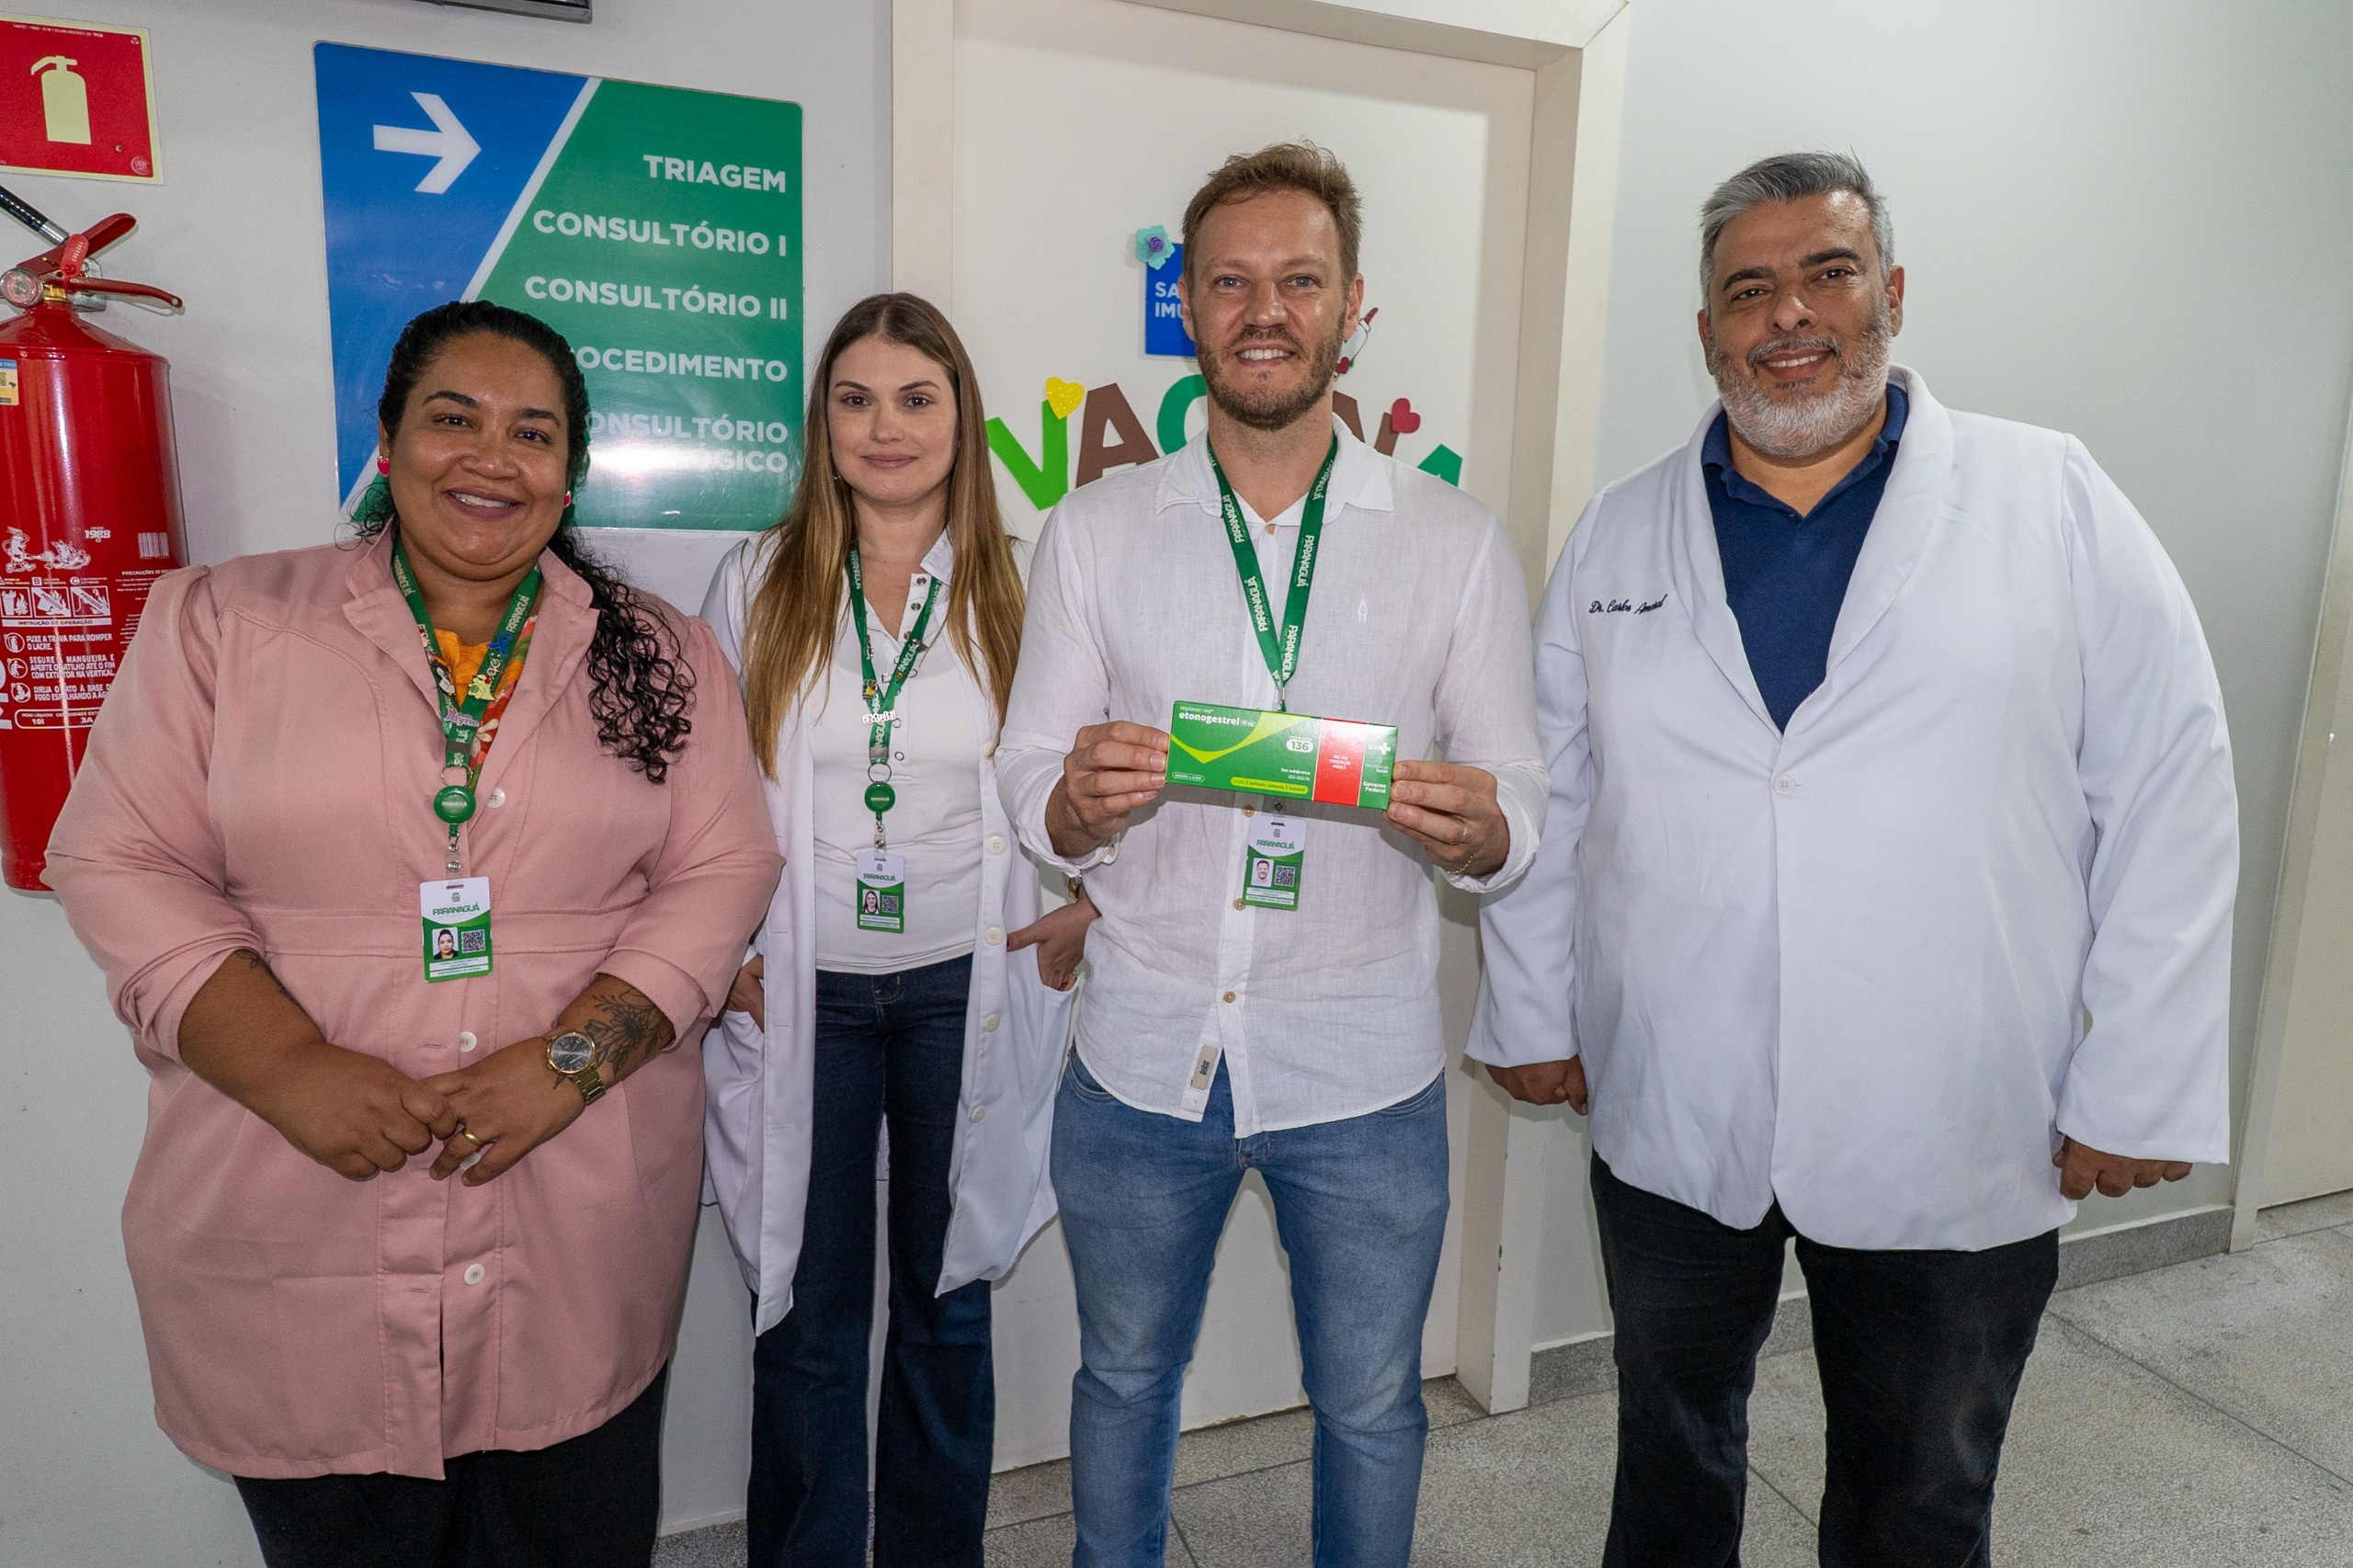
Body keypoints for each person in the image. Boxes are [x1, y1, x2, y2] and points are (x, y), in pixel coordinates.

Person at [1472, 152, 2237, 1567]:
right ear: (1706, 331)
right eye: (1747, 289)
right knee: (1670, 1450)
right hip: (1680, 1089)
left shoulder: (2049, 496)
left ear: (1891, 292)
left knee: (1920, 1490)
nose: (1788, 314)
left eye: (1826, 273)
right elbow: (1553, 790)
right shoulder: (1621, 531)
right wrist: (1530, 1010)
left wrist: (2138, 1075)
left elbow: (2171, 786)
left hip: (1949, 1105)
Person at [44, 300, 782, 1568]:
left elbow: (723, 867)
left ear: (570, 473)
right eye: (454, 418)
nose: (493, 458)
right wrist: (291, 1067)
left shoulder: (659, 650)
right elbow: (115, 856)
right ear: (386, 442)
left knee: (571, 1528)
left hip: (573, 1199)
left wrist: (570, 1063)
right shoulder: (226, 622)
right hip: (298, 1189)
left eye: (533, 433)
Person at [997, 143, 1547, 1567]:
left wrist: (1486, 830)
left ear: (1353, 306)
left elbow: (1520, 802)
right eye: (1230, 282)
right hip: (1140, 1052)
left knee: (1369, 1403)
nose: (1264, 311)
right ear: (1185, 305)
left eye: (1300, 280)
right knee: (1125, 1379)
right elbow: (1025, 776)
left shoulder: (1453, 544)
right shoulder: (1096, 530)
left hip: (1363, 1066)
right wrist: (1071, 807)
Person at [701, 292, 1097, 1568]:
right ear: (823, 423)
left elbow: (1102, 762)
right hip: (804, 988)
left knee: (945, 1306)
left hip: (960, 987)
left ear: (961, 417)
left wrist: (1098, 898)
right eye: (857, 400)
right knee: (805, 1317)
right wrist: (727, 958)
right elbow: (707, 790)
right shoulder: (757, 580)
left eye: (917, 399)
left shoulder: (1022, 582)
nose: (887, 427)